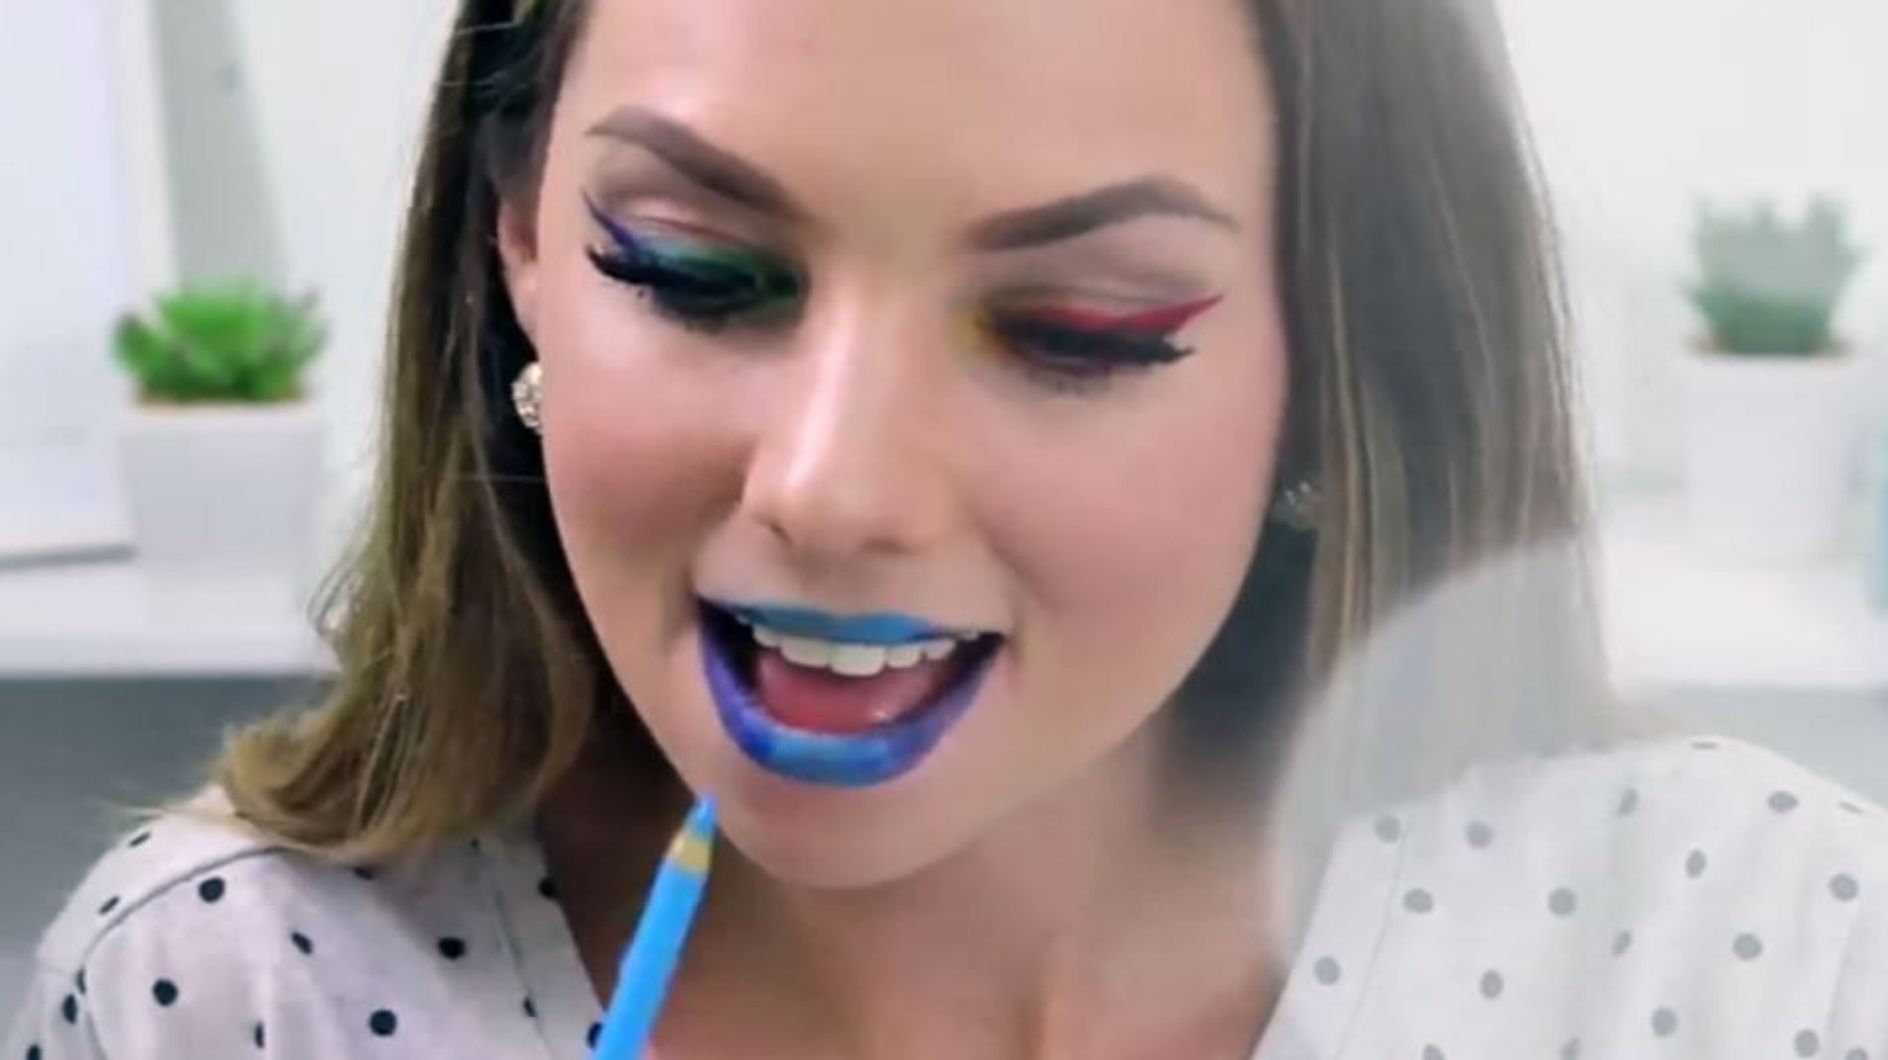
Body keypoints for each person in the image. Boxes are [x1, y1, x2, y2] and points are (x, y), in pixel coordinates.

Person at [9, 0, 1886, 1056]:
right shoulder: (221, 1000)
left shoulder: (1759, 951)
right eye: (696, 270)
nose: (835, 489)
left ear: (1340, 352)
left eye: (1077, 329)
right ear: (518, 241)